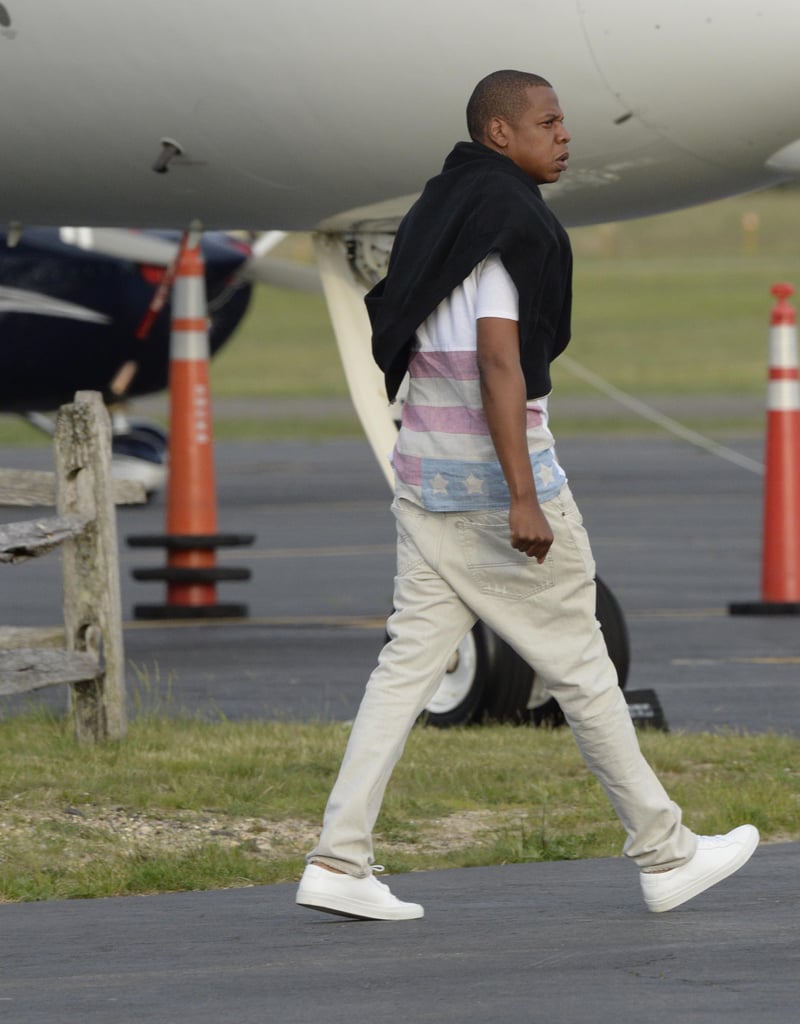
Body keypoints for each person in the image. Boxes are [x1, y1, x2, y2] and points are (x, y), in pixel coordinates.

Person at [296, 69, 758, 921]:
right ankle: (666, 853)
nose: (564, 135)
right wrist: (523, 496)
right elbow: (498, 363)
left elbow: (402, 329)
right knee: (582, 666)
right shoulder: (511, 225)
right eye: (547, 122)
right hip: (491, 486)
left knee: (405, 668)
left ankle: (338, 858)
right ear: (500, 135)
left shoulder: (437, 210)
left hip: (424, 475)